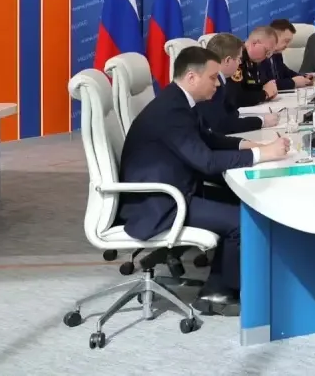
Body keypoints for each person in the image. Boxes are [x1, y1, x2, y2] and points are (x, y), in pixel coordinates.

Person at [116, 46, 289, 316]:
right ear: (192, 77)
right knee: (240, 222)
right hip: (158, 202)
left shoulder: (179, 101)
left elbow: (207, 139)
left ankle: (223, 281)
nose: (217, 84)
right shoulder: (172, 112)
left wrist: (248, 145)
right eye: (212, 77)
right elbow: (205, 161)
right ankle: (219, 294)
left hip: (176, 187)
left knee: (242, 202)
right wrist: (261, 155)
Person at [201, 33, 279, 134]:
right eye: (238, 59)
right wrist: (261, 121)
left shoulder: (220, 79)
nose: (240, 63)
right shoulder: (212, 83)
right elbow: (221, 125)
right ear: (228, 60)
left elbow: (231, 112)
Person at [259, 19, 314, 91]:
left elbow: (285, 71)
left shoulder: (276, 54)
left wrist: (304, 77)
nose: (287, 46)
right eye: (286, 41)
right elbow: (266, 84)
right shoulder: (258, 56)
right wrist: (293, 82)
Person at [234, 26, 280, 108]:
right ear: (255, 43)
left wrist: (269, 89)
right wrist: (264, 94)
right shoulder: (235, 58)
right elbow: (236, 98)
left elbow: (255, 85)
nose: (268, 56)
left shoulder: (255, 60)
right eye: (267, 52)